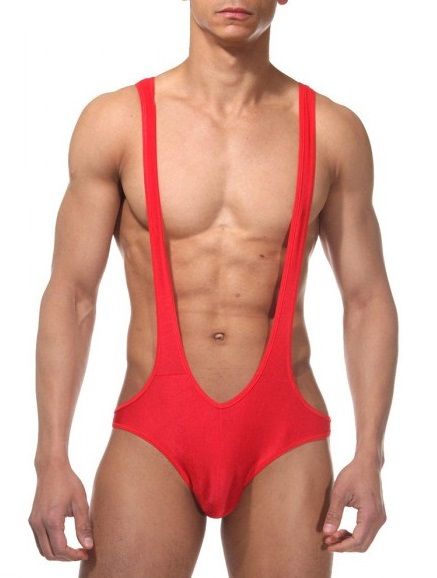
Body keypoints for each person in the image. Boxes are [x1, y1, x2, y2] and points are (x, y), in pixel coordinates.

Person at [28, 1, 398, 576]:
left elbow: (367, 298)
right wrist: (50, 458)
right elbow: (72, 294)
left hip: (284, 431)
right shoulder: (117, 122)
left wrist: (370, 457)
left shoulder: (332, 130)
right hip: (155, 427)